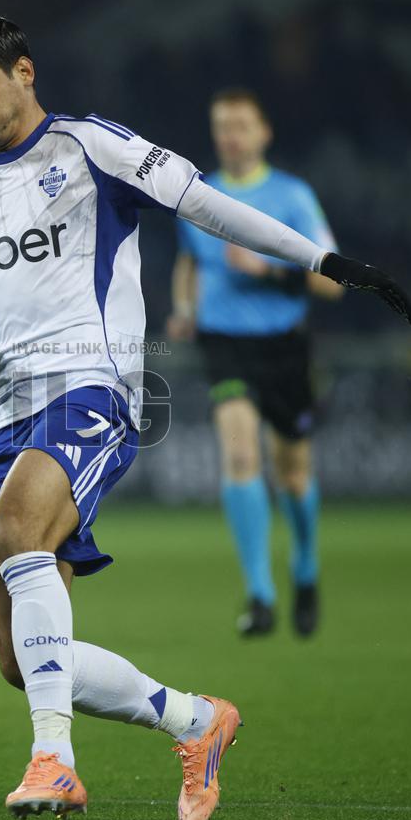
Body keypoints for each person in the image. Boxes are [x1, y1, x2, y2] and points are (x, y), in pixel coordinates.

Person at [0, 15, 411, 820]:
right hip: (5, 411)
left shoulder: (90, 147)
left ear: (24, 72)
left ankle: (53, 763)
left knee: (22, 526)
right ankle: (196, 721)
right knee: (20, 660)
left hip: (92, 387)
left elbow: (207, 204)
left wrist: (325, 262)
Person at [168, 88, 343, 637]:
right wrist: (183, 307)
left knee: (292, 472)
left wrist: (266, 270)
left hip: (285, 345)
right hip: (225, 343)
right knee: (240, 452)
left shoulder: (293, 197)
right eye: (221, 126)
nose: (230, 136)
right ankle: (261, 596)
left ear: (264, 133)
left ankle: (306, 569)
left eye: (241, 125)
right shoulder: (200, 195)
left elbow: (332, 284)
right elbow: (190, 263)